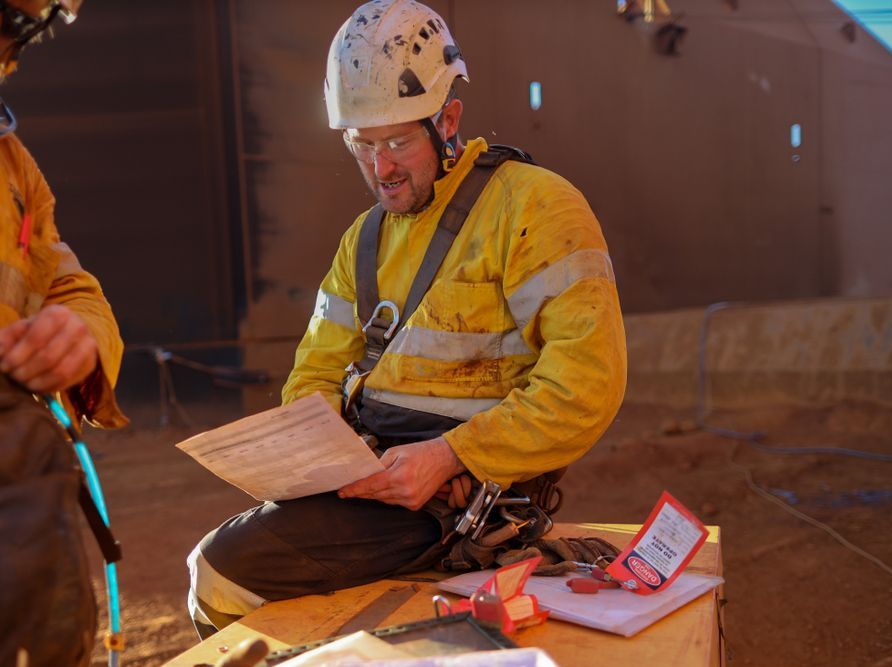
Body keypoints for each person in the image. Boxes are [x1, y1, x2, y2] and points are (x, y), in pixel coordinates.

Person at [188, 0, 626, 635]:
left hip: (469, 500)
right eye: (362, 145)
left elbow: (586, 384)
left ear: (449, 118)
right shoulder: (362, 240)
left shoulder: (535, 208)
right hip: (372, 483)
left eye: (397, 141)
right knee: (230, 562)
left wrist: (452, 457)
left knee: (222, 570)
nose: (380, 168)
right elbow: (312, 378)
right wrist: (329, 455)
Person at [0, 1, 127, 664]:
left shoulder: (14, 169)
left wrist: (77, 333)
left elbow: (65, 283)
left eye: (21, 33)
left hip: (23, 512)